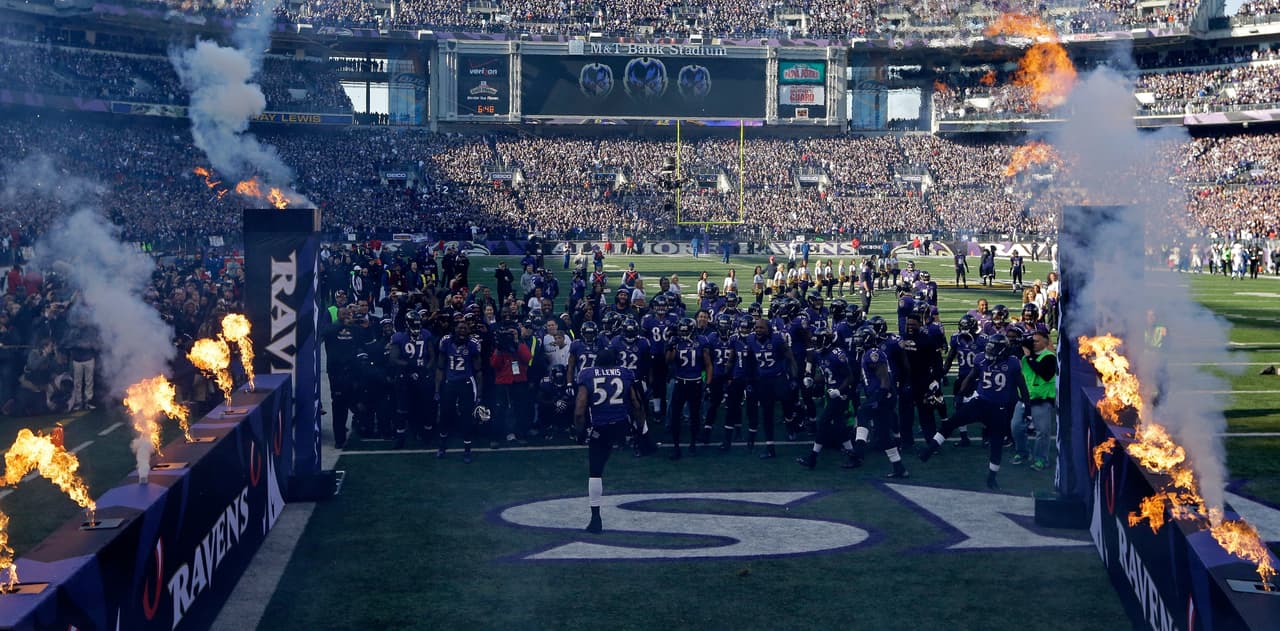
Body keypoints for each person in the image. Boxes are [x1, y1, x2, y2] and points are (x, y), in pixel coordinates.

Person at [919, 335, 1030, 490]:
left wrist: (1027, 406)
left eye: (994, 348)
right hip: (980, 402)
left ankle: (991, 478)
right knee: (952, 422)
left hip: (998, 409)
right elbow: (971, 377)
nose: (990, 351)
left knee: (996, 444)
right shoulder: (981, 359)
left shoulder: (1012, 363)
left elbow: (1022, 387)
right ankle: (930, 449)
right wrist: (960, 394)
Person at [575, 348, 646, 533]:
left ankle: (595, 517)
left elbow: (580, 409)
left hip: (600, 428)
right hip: (622, 426)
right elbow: (636, 403)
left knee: (595, 472)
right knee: (626, 430)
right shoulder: (624, 373)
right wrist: (642, 431)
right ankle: (630, 443)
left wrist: (580, 432)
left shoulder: (587, 374)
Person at [1022, 329, 1057, 471]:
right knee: (1016, 427)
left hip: (1042, 399)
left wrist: (1029, 357)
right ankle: (1022, 452)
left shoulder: (1050, 357)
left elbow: (1045, 374)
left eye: (1036, 341)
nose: (1033, 343)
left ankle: (1041, 459)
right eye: (1032, 341)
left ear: (1046, 342)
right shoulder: (1024, 357)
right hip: (1025, 398)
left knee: (1042, 431)